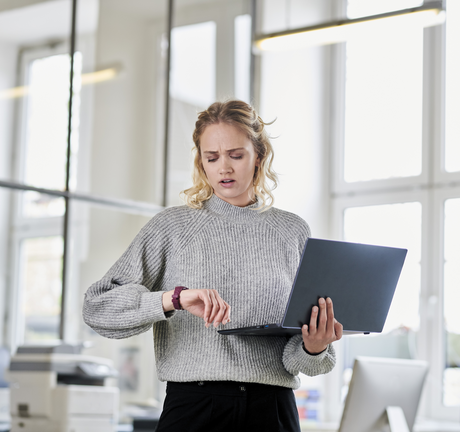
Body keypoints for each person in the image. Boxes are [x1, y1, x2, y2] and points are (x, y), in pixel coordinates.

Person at [83, 100, 343, 432]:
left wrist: (314, 346)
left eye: (236, 155)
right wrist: (172, 300)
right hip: (195, 408)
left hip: (273, 410)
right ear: (201, 162)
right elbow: (97, 307)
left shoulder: (293, 231)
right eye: (212, 157)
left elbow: (298, 361)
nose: (224, 168)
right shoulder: (172, 227)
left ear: (259, 157)